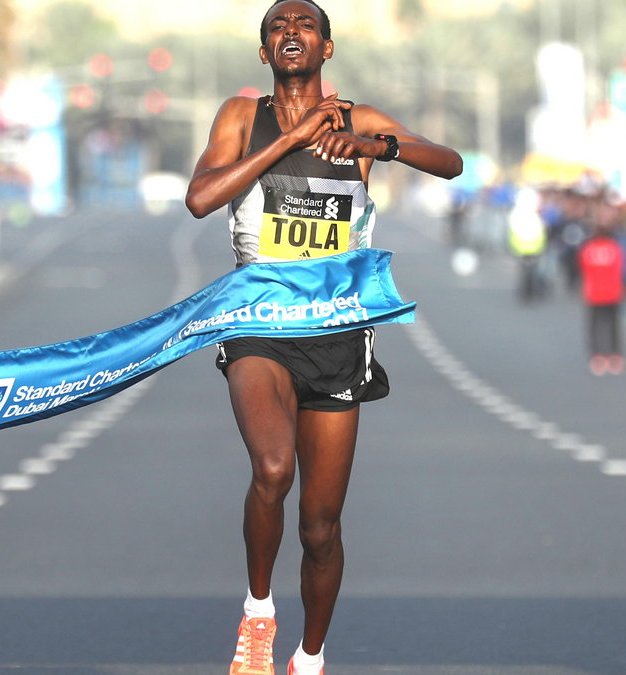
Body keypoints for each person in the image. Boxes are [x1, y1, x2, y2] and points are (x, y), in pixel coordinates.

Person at [184, 2, 462, 673]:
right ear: (264, 53)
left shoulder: (358, 121)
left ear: (327, 48)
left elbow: (449, 162)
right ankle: (257, 616)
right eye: (278, 25)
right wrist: (288, 139)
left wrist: (376, 148)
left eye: (305, 24)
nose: (291, 32)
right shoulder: (239, 117)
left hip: (337, 332)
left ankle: (310, 656)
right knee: (272, 467)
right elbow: (199, 198)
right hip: (260, 323)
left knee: (320, 526)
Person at [577, 221, 625, 375]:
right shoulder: (614, 248)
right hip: (612, 292)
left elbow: (583, 269)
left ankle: (597, 356)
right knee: (613, 325)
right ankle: (615, 355)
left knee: (594, 325)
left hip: (594, 293)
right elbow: (620, 269)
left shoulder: (588, 249)